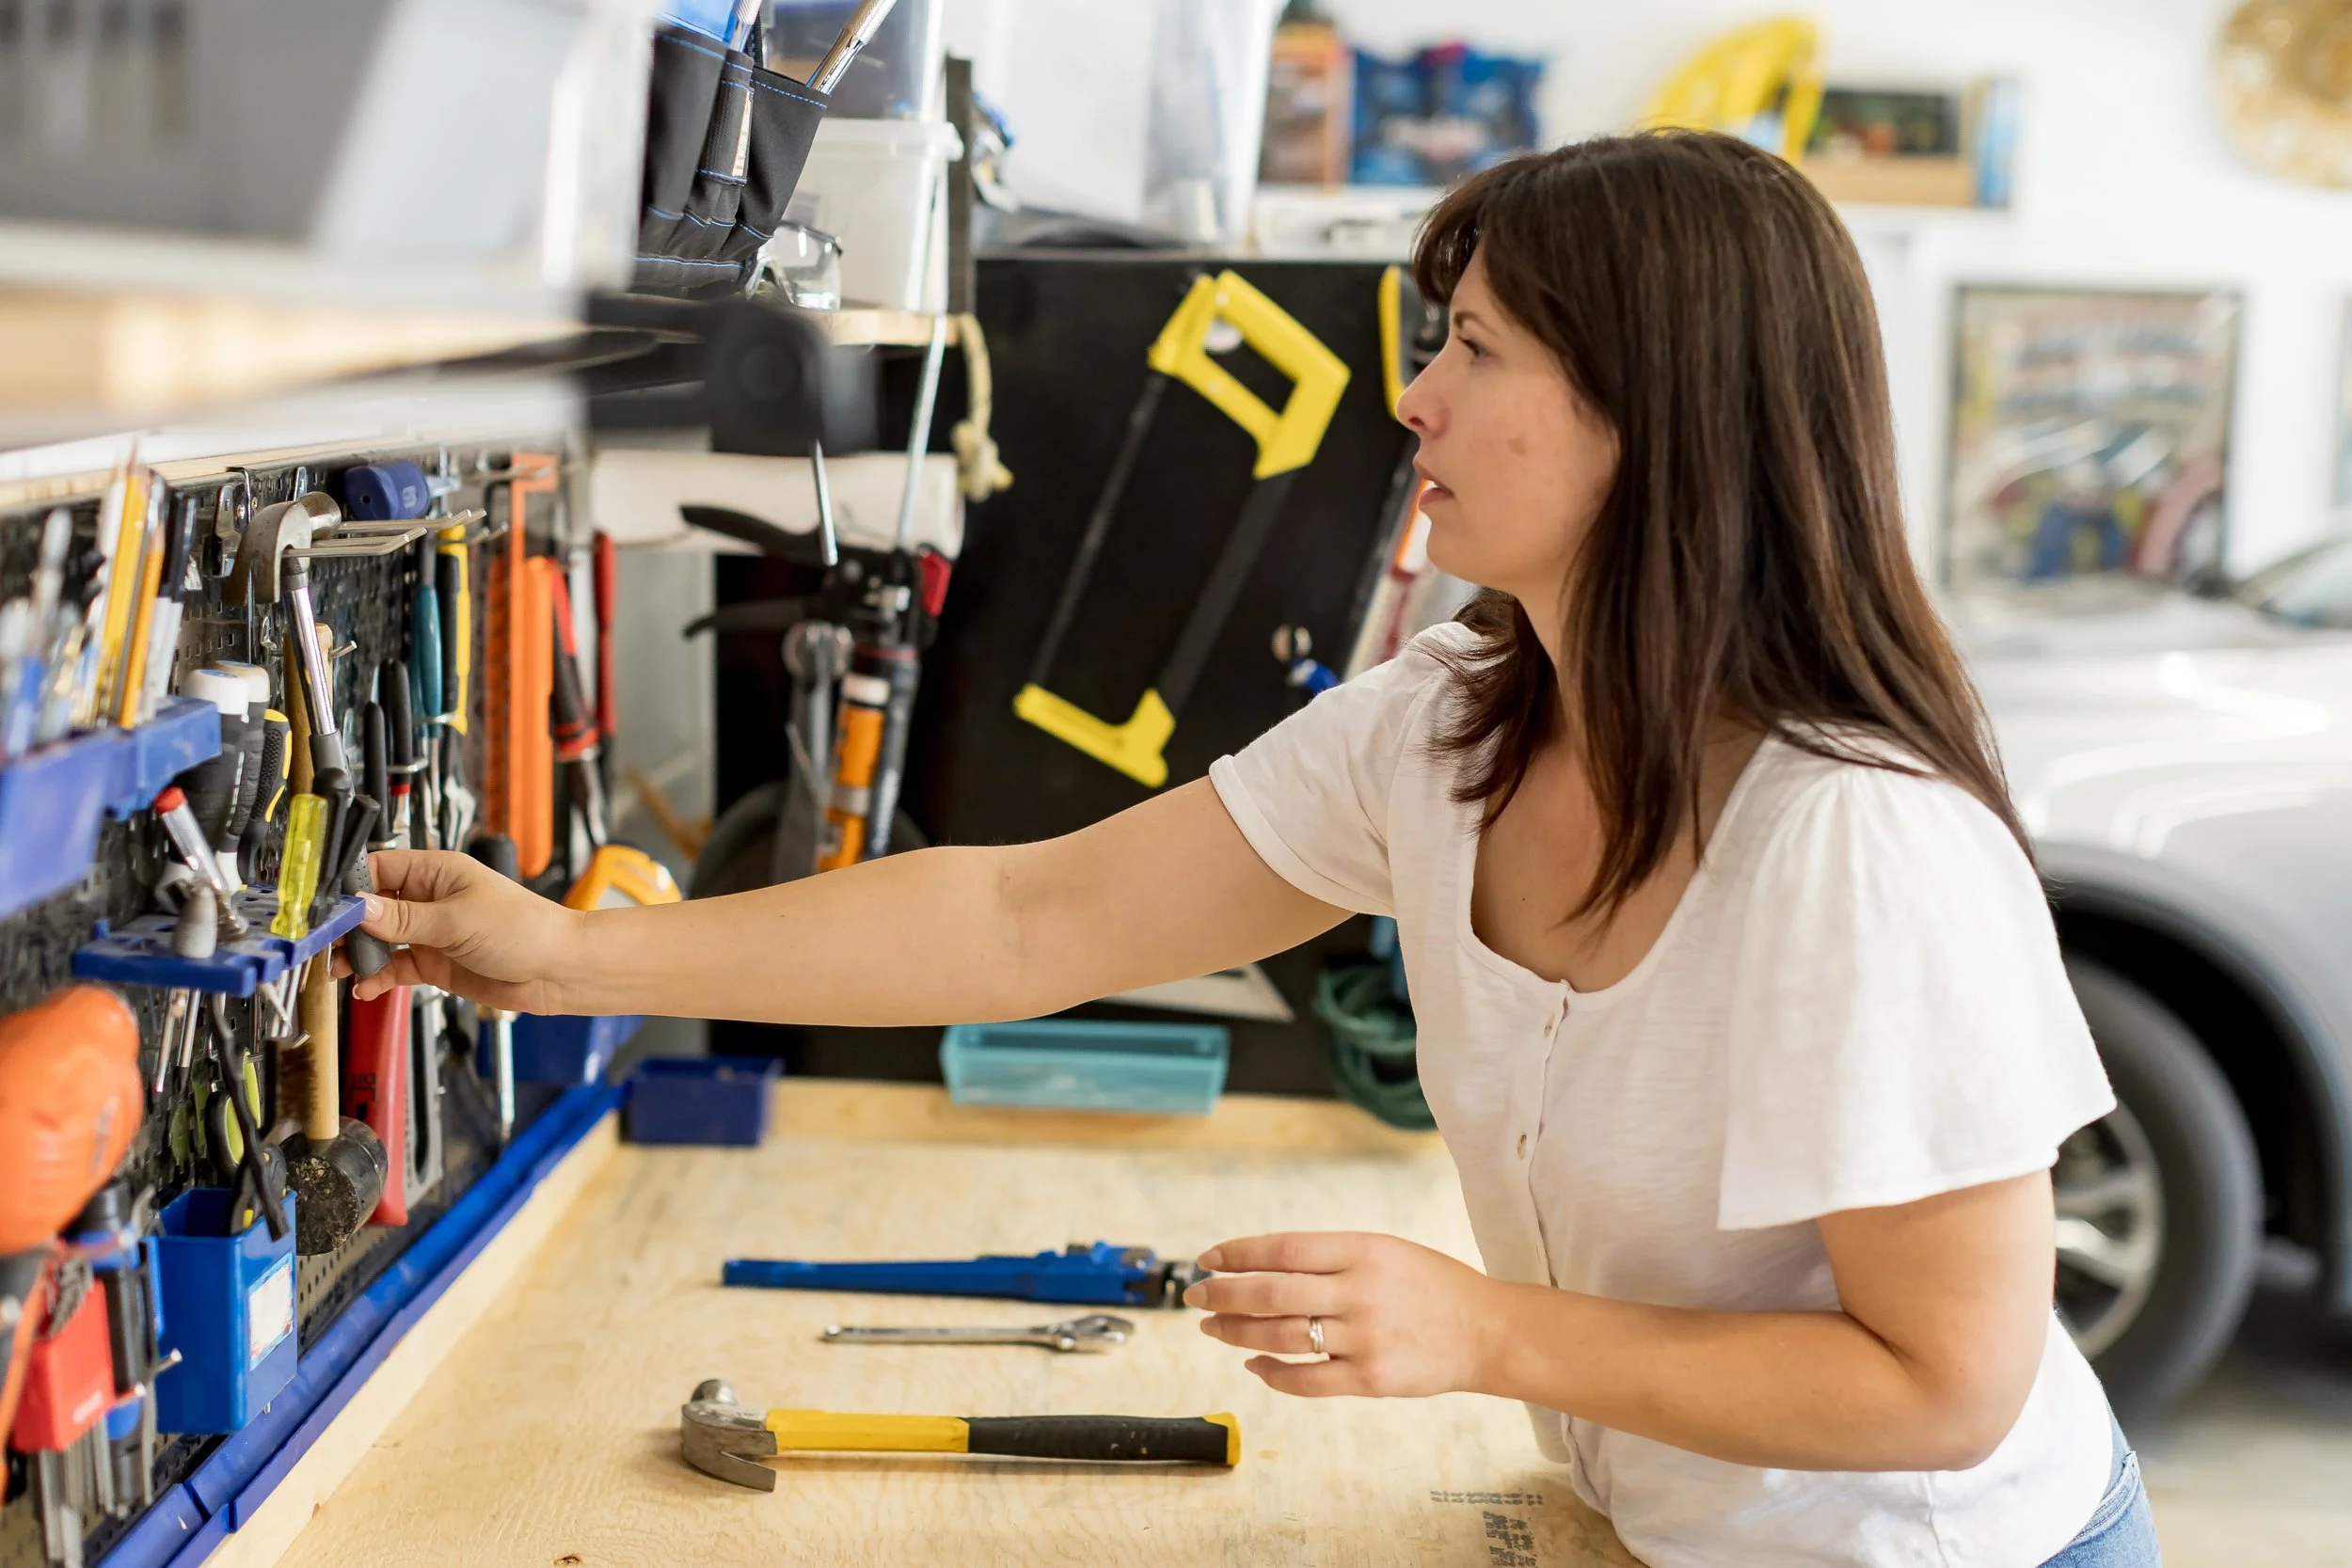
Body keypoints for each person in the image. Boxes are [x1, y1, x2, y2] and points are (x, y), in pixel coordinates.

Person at [348, 133, 2159, 1567]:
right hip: (1665, 1528)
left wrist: (1488, 1332)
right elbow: (1022, 915)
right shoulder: (1453, 720)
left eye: (1475, 348)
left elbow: (1943, 1382)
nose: (1415, 400)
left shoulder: (1857, 841)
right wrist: (576, 956)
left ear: (1652, 418)